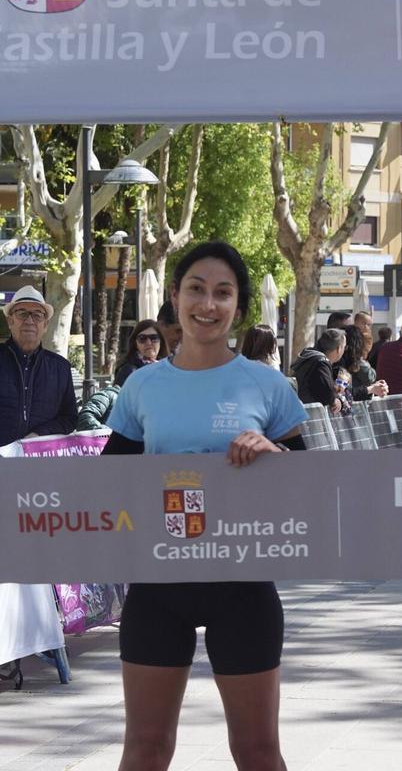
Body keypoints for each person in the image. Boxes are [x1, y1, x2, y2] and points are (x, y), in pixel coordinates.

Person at [102, 242, 306, 771]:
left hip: (243, 586)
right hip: (158, 584)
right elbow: (108, 481)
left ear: (238, 306)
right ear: (175, 296)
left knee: (258, 751)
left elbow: (309, 485)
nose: (208, 304)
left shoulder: (267, 384)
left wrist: (275, 454)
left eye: (223, 293)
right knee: (145, 749)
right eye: (196, 289)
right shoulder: (142, 385)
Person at [1, 285, 77, 446]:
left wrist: (39, 434)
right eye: (22, 314)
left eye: (37, 315)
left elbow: (70, 419)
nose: (29, 321)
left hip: (40, 457)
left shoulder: (60, 368)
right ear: (10, 321)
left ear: (46, 324)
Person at [291, 328, 346, 409]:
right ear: (339, 349)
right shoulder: (321, 362)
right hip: (309, 412)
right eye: (344, 347)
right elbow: (328, 394)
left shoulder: (310, 357)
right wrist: (337, 399)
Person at [115, 319, 167, 386]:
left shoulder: (168, 366)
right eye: (142, 338)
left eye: (154, 338)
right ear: (135, 343)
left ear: (161, 342)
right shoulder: (129, 370)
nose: (148, 343)